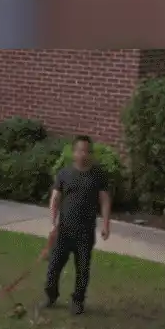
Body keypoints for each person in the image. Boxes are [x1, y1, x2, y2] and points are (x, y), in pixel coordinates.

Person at [42, 135, 111, 315]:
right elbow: (55, 199)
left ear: (91, 154)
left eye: (87, 151)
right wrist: (52, 223)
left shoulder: (98, 175)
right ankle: (51, 295)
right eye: (80, 150)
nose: (84, 154)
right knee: (54, 267)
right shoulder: (64, 173)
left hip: (85, 232)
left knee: (82, 270)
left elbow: (104, 200)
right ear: (74, 153)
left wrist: (105, 224)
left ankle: (78, 301)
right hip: (64, 231)